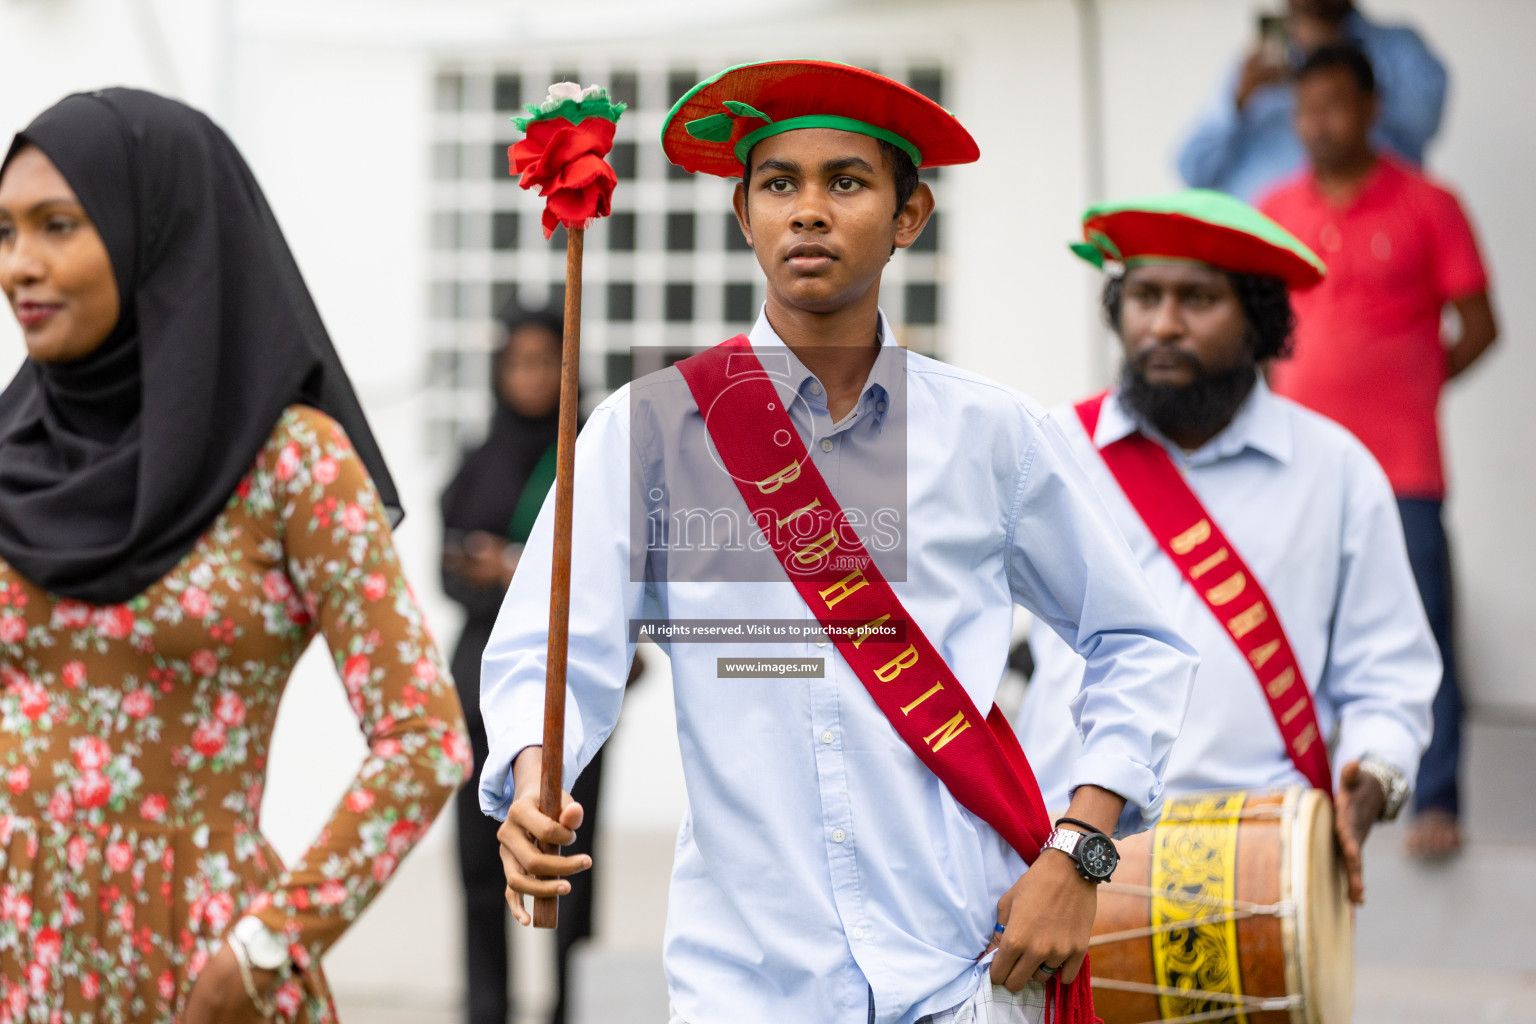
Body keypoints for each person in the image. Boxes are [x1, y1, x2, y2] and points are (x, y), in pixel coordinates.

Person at [479, 60, 1199, 1024]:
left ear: (910, 216)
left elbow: (1139, 644)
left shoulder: (995, 438)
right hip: (749, 981)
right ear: (743, 214)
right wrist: (535, 776)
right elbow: (552, 648)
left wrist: (1082, 852)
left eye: (846, 182)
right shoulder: (646, 434)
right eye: (780, 183)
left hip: (968, 965)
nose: (808, 210)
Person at [0, 89, 468, 1022]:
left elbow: (423, 740)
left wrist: (269, 949)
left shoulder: (290, 462)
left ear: (155, 234)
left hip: (199, 969)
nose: (21, 266)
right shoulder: (13, 456)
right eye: (5, 232)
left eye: (58, 226)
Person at [1016, 189, 1439, 906]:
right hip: (1060, 854)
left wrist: (1373, 776)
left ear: (1258, 321)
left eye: (1199, 299)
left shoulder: (1336, 470)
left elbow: (1389, 677)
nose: (1165, 325)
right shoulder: (1049, 450)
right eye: (1144, 295)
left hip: (1256, 867)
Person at [1260, 44, 1498, 859]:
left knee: (1423, 626)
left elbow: (1480, 325)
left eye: (1331, 105)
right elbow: (1256, 334)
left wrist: (1415, 386)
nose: (1316, 124)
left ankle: (1437, 803)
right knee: (1293, 624)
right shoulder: (1275, 206)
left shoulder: (1431, 205)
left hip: (1404, 465)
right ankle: (1304, 793)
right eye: (1303, 109)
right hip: (1296, 466)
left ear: (1370, 109)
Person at [441, 303, 630, 1024]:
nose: (528, 377)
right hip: (478, 681)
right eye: (515, 362)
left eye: (543, 362)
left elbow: (601, 575)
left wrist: (509, 564)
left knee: (567, 849)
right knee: (480, 854)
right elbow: (450, 567)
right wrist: (487, 571)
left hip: (570, 686)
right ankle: (486, 1007)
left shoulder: (588, 456)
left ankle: (567, 1009)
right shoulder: (478, 459)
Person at [1176, 0, 1446, 201]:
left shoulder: (1396, 46)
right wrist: (1238, 100)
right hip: (1263, 251)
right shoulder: (1253, 69)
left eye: (1333, 104)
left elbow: (1422, 121)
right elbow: (1192, 170)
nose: (1315, 125)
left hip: (1372, 235)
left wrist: (1338, 53)